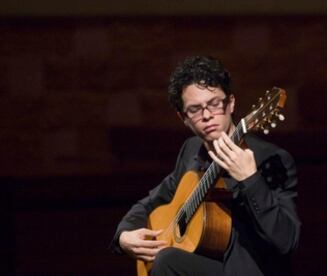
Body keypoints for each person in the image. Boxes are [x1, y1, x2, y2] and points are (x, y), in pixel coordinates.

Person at [110, 56, 301, 276]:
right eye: (195, 109)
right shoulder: (191, 151)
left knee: (167, 261)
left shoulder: (272, 159)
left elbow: (288, 241)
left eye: (214, 104)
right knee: (167, 259)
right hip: (203, 265)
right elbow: (151, 202)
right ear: (184, 118)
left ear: (230, 104)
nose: (207, 115)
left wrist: (251, 179)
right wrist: (123, 236)